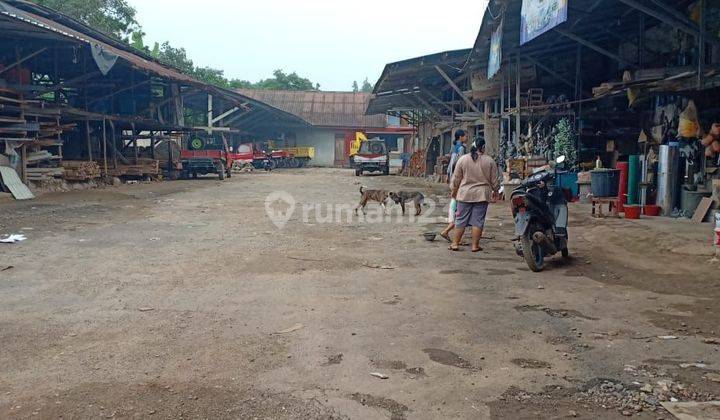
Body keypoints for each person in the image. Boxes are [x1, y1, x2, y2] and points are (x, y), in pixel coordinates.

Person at [449, 137, 501, 253]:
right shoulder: (489, 161)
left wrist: (453, 190)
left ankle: (455, 243)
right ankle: (474, 246)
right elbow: (495, 180)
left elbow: (456, 178)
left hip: (464, 194)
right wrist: (496, 191)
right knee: (478, 221)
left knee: (460, 220)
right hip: (482, 195)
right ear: (483, 147)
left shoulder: (463, 160)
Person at [440, 130, 468, 242]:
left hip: (453, 176)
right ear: (460, 137)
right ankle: (450, 229)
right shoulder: (461, 148)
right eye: (466, 136)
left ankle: (452, 228)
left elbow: (451, 162)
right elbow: (460, 163)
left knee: (455, 199)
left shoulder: (454, 147)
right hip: (458, 177)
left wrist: (448, 174)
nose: (467, 137)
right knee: (459, 204)